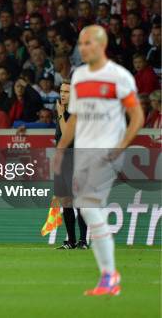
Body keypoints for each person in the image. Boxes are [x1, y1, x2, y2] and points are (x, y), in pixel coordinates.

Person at [53, 25, 144, 296]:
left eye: (87, 43)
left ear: (101, 45)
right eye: (80, 44)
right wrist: (60, 149)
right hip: (84, 152)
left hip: (108, 151)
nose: (82, 48)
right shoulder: (79, 77)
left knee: (88, 204)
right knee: (88, 207)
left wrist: (122, 145)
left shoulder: (119, 76)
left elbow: (137, 116)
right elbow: (76, 117)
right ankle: (109, 275)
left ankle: (109, 276)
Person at [54, 79, 87, 250]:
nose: (62, 95)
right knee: (66, 202)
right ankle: (71, 241)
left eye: (66, 92)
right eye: (61, 91)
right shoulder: (62, 111)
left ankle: (83, 241)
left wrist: (60, 114)